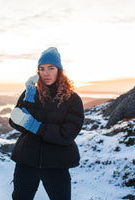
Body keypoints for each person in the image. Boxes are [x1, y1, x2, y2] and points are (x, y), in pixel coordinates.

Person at [9, 47, 84, 200]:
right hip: (26, 161)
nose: (46, 73)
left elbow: (67, 134)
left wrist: (34, 126)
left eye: (51, 68)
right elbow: (15, 121)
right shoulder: (30, 93)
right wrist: (29, 98)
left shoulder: (72, 99)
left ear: (59, 70)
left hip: (57, 164)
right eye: (42, 69)